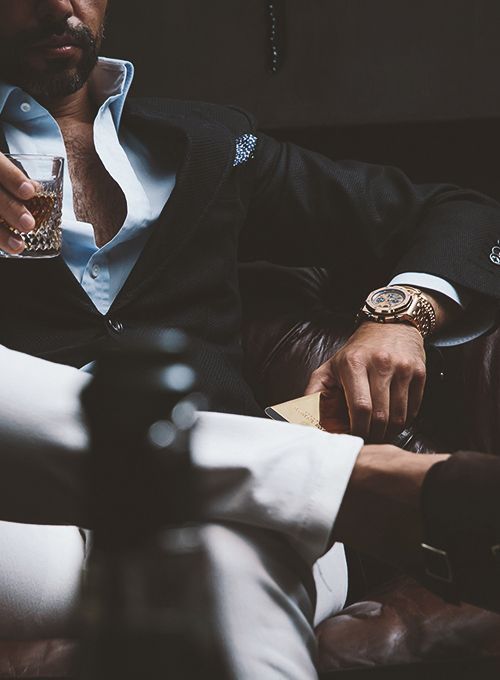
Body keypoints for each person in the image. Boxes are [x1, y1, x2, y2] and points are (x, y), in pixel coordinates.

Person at [0, 1, 499, 677]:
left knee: (228, 546)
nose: (59, 4)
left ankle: (284, 485)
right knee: (249, 523)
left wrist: (402, 315)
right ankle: (362, 486)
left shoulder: (210, 144)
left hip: (234, 522)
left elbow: (456, 211)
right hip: (22, 532)